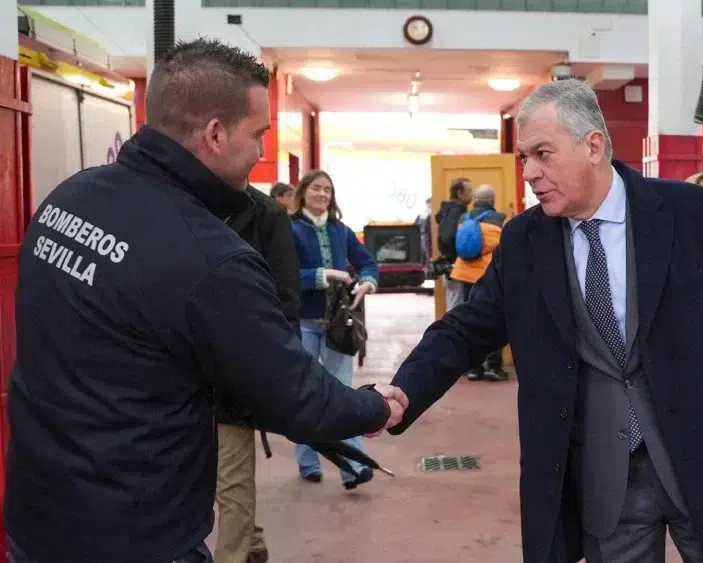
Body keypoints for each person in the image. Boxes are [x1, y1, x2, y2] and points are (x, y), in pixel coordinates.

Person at [6, 38, 407, 563]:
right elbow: (300, 398)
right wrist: (376, 405)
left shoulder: (70, 198)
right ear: (216, 134)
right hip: (134, 535)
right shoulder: (209, 259)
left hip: (36, 516)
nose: (262, 152)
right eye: (258, 134)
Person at [388, 79, 703, 562]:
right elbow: (467, 329)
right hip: (606, 478)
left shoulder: (690, 213)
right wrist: (405, 391)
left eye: (542, 154)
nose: (530, 172)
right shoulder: (525, 241)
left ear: (593, 145)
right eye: (524, 158)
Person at [213, 183, 302, 563]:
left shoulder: (267, 216)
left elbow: (285, 298)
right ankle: (251, 542)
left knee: (231, 478)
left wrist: (282, 370)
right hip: (184, 367)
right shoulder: (179, 202)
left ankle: (234, 555)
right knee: (210, 475)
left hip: (235, 368)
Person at [290, 169, 380, 489]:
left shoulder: (341, 230)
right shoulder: (289, 230)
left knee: (342, 397)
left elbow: (368, 262)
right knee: (304, 395)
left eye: (328, 190)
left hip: (338, 326)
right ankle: (308, 461)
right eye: (316, 189)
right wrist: (320, 275)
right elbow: (281, 275)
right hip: (303, 325)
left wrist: (368, 281)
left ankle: (353, 466)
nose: (323, 195)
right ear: (303, 192)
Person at [449, 184, 508, 382]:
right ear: (492, 200)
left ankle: (473, 368)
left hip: (465, 274)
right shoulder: (500, 219)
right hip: (489, 274)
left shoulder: (463, 218)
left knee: (470, 321)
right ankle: (494, 367)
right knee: (496, 319)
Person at [435, 178, 472, 311]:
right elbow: (448, 237)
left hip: (449, 264)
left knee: (453, 301)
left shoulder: (448, 211)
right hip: (455, 265)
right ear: (460, 192)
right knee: (456, 305)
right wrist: (457, 256)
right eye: (469, 191)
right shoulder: (456, 212)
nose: (472, 195)